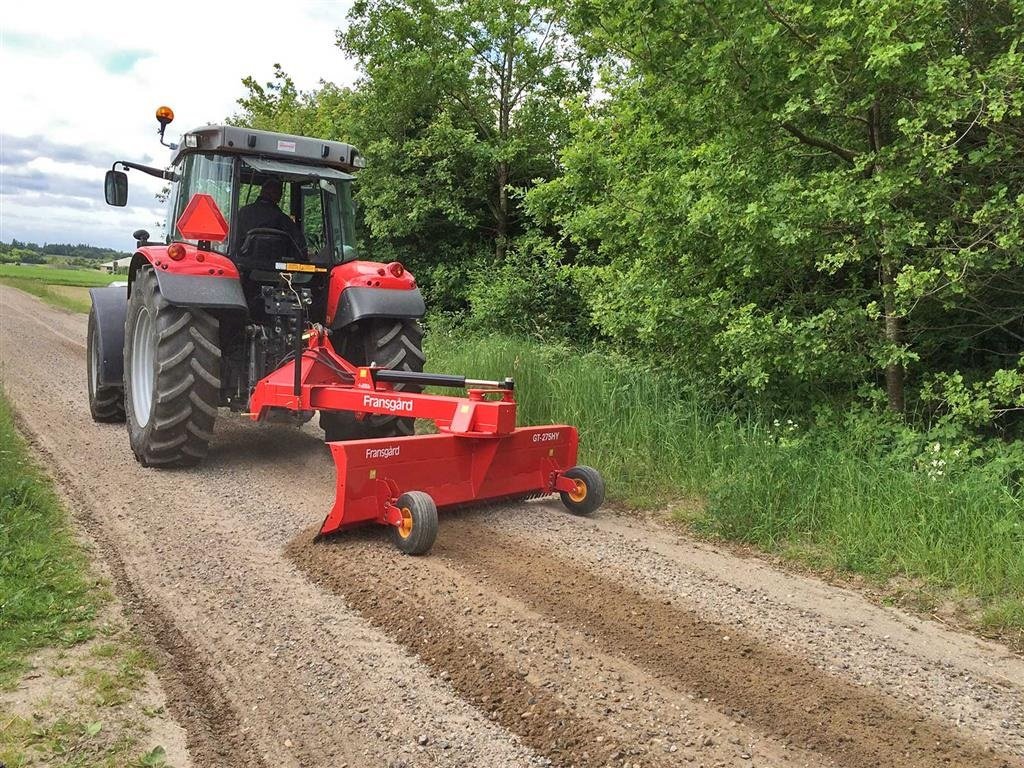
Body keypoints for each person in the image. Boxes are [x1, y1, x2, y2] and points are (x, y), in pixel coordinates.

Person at [234, 178, 305, 261]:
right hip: (277, 266)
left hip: (244, 262)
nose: (280, 196)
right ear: (276, 196)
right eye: (279, 193)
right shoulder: (283, 219)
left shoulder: (243, 212)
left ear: (262, 192)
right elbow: (299, 245)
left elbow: (234, 239)